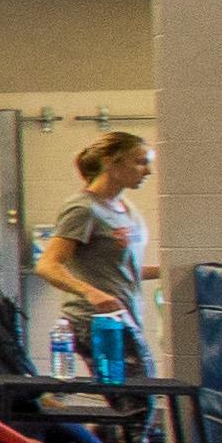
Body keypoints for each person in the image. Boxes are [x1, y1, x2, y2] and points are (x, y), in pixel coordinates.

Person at [39, 132, 156, 381]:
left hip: (126, 317)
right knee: (135, 404)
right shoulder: (84, 208)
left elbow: (122, 268)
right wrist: (90, 292)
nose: (147, 171)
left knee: (130, 401)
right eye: (140, 162)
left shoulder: (128, 210)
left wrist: (166, 271)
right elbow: (48, 265)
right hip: (93, 321)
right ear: (111, 162)